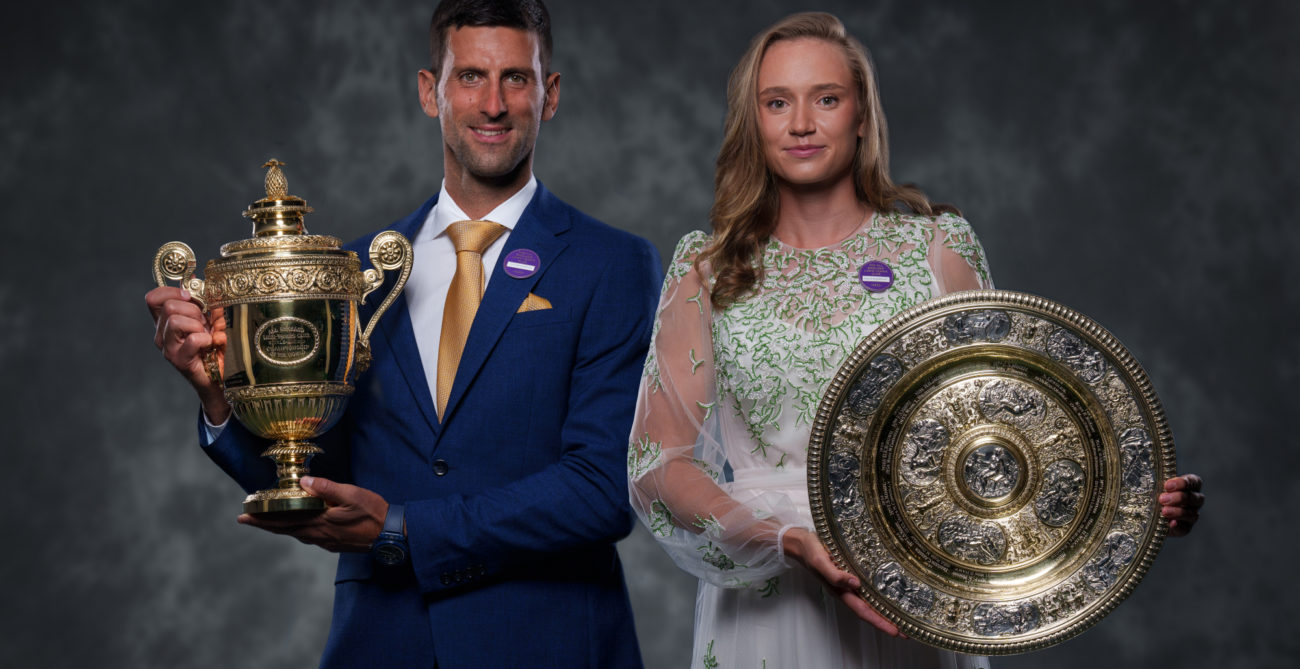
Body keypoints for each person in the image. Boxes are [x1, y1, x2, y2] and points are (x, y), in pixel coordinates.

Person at [627, 12, 1203, 669]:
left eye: (827, 98)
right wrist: (785, 538)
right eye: (777, 102)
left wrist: (1130, 495)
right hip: (770, 597)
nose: (802, 123)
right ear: (752, 122)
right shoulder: (706, 268)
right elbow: (659, 464)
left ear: (863, 114)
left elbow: (1006, 431)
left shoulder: (937, 247)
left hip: (915, 585)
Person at [146, 1, 660, 667]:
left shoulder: (612, 262)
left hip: (547, 640)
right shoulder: (351, 273)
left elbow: (602, 489)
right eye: (471, 76)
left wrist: (405, 529)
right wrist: (220, 395)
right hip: (381, 643)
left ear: (550, 93)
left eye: (517, 78)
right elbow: (315, 470)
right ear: (430, 91)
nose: (494, 104)